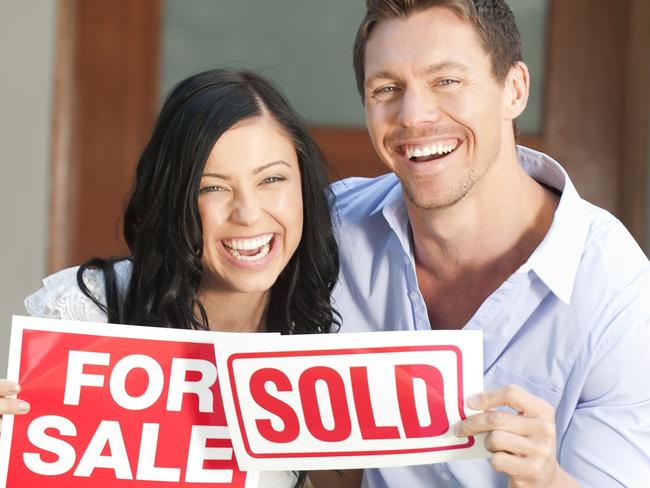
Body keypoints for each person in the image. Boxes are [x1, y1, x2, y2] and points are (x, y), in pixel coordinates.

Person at [327, 0, 650, 487]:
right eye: (387, 88)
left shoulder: (617, 296)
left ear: (514, 90)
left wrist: (549, 480)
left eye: (447, 81)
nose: (413, 116)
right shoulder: (329, 232)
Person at [0, 68, 340, 488]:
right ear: (174, 198)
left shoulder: (329, 333)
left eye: (272, 179)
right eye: (212, 188)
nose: (248, 214)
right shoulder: (86, 314)